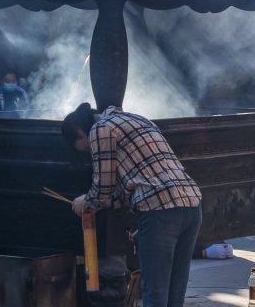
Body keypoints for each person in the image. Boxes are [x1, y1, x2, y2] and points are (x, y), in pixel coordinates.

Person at [62, 103, 202, 307]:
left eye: (85, 148)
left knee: (155, 294)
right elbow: (128, 188)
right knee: (174, 294)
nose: (88, 152)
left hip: (159, 209)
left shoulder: (99, 130)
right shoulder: (138, 119)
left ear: (79, 131)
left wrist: (85, 202)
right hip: (192, 204)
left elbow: (103, 189)